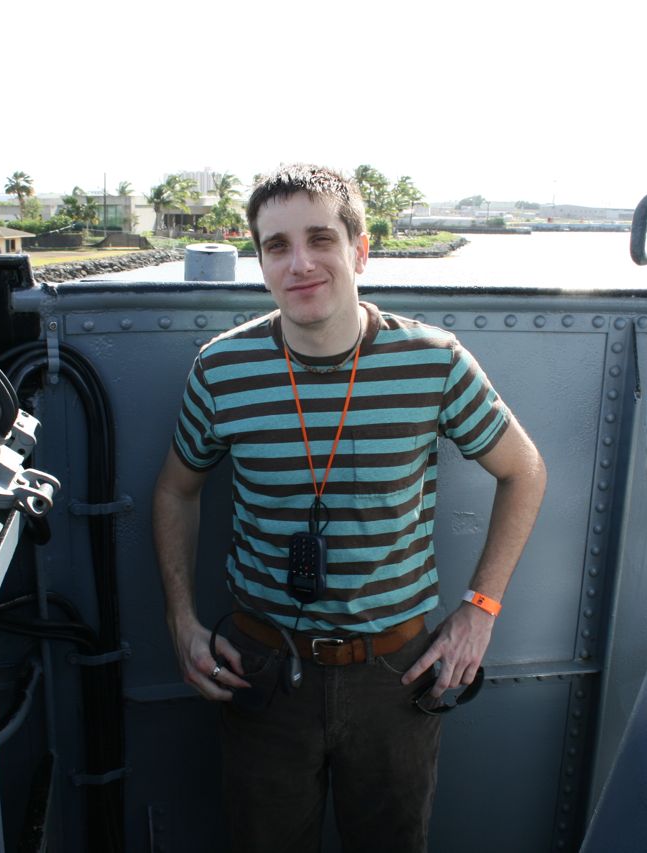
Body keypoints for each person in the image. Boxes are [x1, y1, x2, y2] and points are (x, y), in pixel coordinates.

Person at [152, 164, 546, 852]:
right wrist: (180, 618)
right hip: (262, 670)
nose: (300, 263)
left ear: (360, 250)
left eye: (320, 238)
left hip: (394, 676)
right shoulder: (221, 368)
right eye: (276, 246)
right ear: (260, 261)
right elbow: (175, 489)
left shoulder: (434, 361)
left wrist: (479, 610)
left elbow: (524, 470)